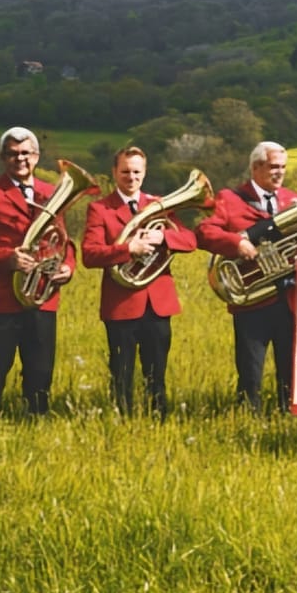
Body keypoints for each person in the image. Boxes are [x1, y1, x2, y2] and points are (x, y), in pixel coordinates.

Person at [0, 126, 76, 416]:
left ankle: (36, 418)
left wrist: (68, 267)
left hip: (43, 294)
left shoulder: (53, 193)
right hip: (4, 296)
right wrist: (7, 259)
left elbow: (65, 240)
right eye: (13, 154)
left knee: (41, 366)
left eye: (26, 153)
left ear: (36, 156)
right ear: (3, 158)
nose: (20, 159)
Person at [80, 146, 196, 418]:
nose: (131, 177)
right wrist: (128, 249)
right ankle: (122, 421)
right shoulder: (100, 209)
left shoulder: (159, 205)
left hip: (158, 304)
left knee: (157, 374)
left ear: (144, 173)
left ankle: (159, 420)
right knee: (121, 374)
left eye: (136, 172)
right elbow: (89, 254)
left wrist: (163, 238)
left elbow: (190, 240)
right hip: (121, 304)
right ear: (114, 172)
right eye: (125, 172)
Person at [198, 141, 297, 411]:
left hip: (289, 298)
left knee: (291, 370)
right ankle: (248, 417)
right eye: (274, 167)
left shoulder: (293, 199)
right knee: (250, 370)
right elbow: (205, 232)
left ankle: (287, 417)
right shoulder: (230, 198)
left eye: (283, 167)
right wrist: (237, 243)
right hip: (252, 301)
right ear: (256, 167)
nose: (280, 172)